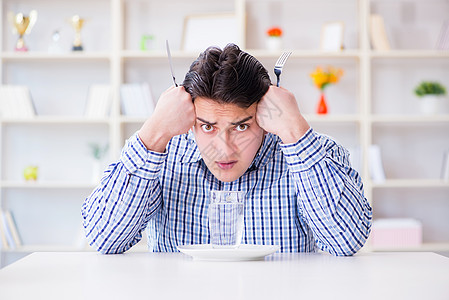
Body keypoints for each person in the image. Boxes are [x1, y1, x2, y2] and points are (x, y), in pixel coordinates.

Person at [82, 44, 372, 256]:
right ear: (189, 119)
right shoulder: (159, 153)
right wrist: (154, 131)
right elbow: (104, 239)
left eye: (241, 127)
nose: (223, 149)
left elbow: (345, 242)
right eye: (207, 126)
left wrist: (296, 131)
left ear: (264, 114)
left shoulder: (311, 151)